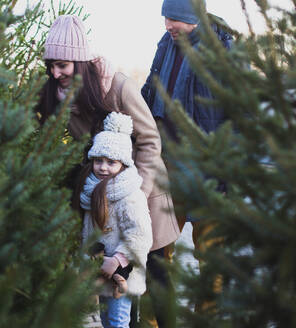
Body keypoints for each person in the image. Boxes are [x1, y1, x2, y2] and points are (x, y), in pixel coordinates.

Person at [36, 15, 181, 327]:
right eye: (51, 65)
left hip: (143, 198)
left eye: (62, 64)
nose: (54, 72)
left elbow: (149, 140)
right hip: (100, 203)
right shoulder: (59, 94)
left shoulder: (117, 87)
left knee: (154, 275)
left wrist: (135, 196)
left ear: (79, 60)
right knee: (112, 281)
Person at [141, 0, 234, 315]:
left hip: (208, 171)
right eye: (165, 17)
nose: (168, 25)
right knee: (155, 249)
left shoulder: (224, 50)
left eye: (174, 18)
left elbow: (238, 116)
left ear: (193, 17)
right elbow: (151, 90)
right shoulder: (167, 44)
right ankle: (152, 322)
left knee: (210, 256)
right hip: (166, 166)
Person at [74, 112, 153, 327]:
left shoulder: (130, 196)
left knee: (118, 321)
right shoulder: (91, 190)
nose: (103, 167)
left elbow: (141, 235)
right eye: (98, 161)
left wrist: (118, 260)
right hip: (99, 270)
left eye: (111, 162)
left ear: (123, 165)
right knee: (107, 320)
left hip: (122, 274)